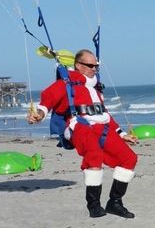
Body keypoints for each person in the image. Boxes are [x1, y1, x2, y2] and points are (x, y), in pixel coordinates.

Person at [27, 49, 139, 218]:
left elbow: (104, 115)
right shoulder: (65, 84)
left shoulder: (95, 88)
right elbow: (46, 102)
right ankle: (93, 205)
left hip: (102, 128)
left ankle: (114, 202)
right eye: (90, 65)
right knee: (94, 155)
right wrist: (39, 115)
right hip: (79, 126)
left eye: (96, 65)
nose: (94, 68)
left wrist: (122, 134)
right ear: (78, 65)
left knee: (129, 158)